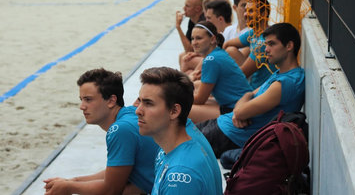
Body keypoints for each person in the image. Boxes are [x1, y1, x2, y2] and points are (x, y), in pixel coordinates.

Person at [197, 22, 305, 158]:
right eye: (266, 44)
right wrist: (241, 109)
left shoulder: (286, 83)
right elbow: (248, 94)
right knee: (181, 132)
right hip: (224, 124)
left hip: (229, 136)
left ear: (289, 46)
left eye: (272, 44)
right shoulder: (280, 73)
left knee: (179, 144)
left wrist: (240, 112)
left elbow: (240, 110)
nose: (266, 49)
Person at [43, 68, 159, 195]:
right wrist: (72, 181)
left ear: (111, 101)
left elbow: (111, 190)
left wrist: (69, 187)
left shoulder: (120, 130)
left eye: (88, 99)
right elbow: (115, 172)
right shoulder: (130, 113)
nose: (82, 106)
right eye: (81, 99)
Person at [135, 67, 222, 195]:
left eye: (148, 103)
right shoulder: (173, 145)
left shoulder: (180, 177)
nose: (138, 111)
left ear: (174, 111)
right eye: (140, 101)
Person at [188, 21, 252, 123]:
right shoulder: (218, 53)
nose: (194, 42)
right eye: (192, 38)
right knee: (194, 86)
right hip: (240, 103)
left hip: (235, 109)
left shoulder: (211, 60)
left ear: (213, 39)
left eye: (199, 38)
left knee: (183, 109)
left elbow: (200, 99)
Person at [224, 0, 277, 89]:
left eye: (251, 11)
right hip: (250, 82)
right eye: (245, 10)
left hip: (258, 91)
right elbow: (227, 44)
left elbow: (243, 73)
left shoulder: (264, 41)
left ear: (264, 14)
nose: (245, 14)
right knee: (230, 50)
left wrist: (216, 73)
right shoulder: (253, 33)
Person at [177, 0, 205, 74]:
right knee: (182, 56)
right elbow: (189, 48)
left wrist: (178, 27)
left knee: (185, 58)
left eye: (187, 6)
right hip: (202, 54)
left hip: (208, 56)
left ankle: (182, 84)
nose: (184, 8)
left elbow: (190, 49)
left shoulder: (202, 23)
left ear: (197, 9)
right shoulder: (192, 20)